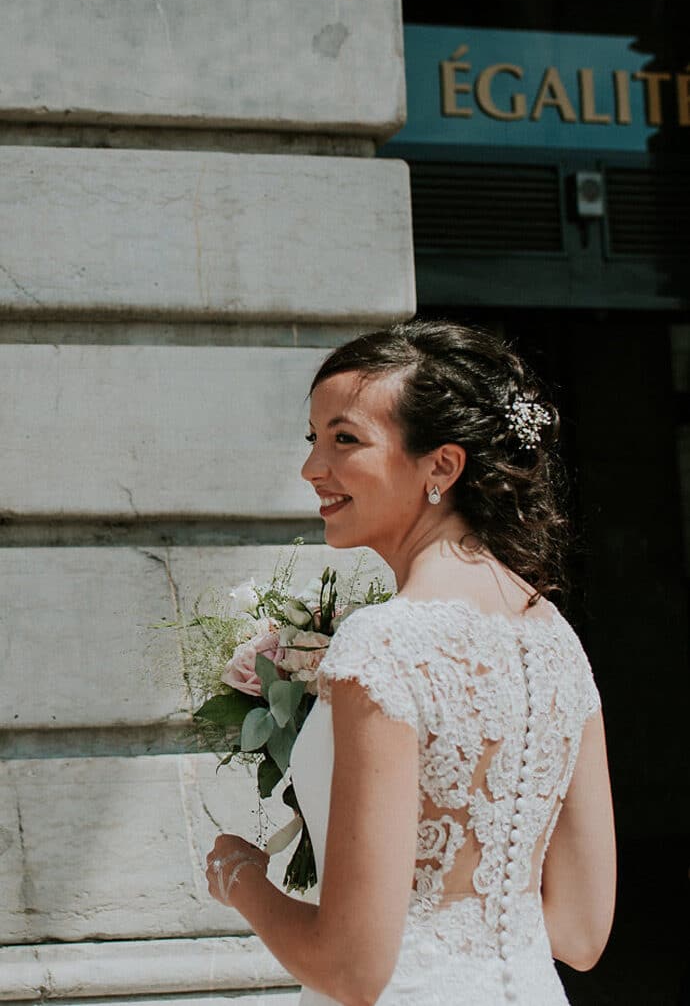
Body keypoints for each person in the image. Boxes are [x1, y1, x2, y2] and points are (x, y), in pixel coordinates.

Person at [205, 319, 616, 1006]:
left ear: (442, 466)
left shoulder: (384, 642)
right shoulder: (556, 641)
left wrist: (240, 880)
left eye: (345, 439)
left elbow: (352, 969)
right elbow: (579, 930)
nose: (312, 468)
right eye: (314, 439)